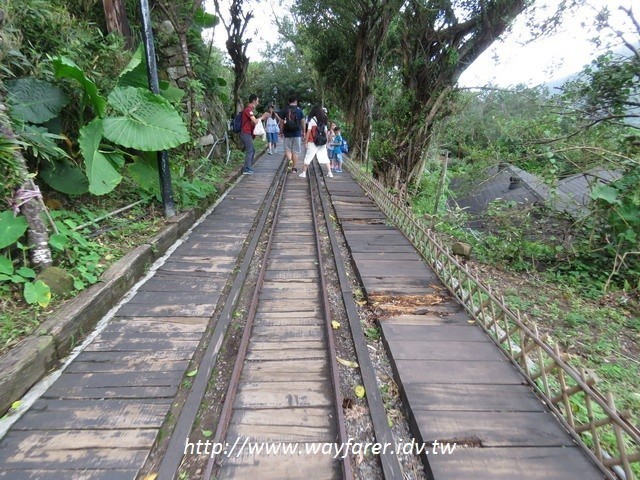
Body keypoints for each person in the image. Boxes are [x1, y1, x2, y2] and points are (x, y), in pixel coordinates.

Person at [298, 105, 332, 179]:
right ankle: (330, 172)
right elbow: (326, 132)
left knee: (308, 156)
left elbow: (308, 132)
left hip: (313, 141)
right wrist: (325, 142)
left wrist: (306, 142)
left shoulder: (312, 120)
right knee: (325, 156)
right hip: (322, 141)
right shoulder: (324, 119)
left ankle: (304, 173)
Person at [239, 94, 269, 175]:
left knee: (252, 150)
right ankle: (246, 169)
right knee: (250, 151)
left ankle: (248, 167)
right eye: (258, 101)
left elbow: (252, 122)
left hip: (247, 133)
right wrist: (262, 117)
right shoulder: (248, 110)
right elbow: (255, 121)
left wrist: (261, 118)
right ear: (254, 101)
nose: (258, 103)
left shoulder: (250, 110)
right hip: (245, 133)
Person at [280, 96, 305, 173]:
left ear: (289, 102)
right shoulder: (299, 110)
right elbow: (303, 121)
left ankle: (290, 160)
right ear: (296, 101)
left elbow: (281, 122)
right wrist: (304, 131)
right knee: (296, 151)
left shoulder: (285, 110)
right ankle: (294, 168)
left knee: (287, 149)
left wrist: (281, 131)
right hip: (297, 133)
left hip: (287, 132)